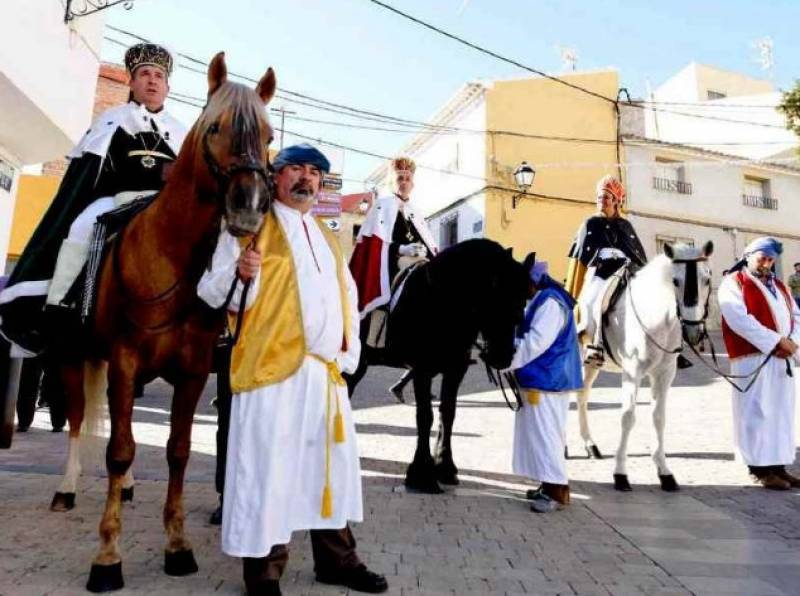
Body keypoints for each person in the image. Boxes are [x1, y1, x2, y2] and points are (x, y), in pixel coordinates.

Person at [197, 144, 387, 596]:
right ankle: (264, 572)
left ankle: (337, 561)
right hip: (271, 375)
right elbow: (211, 291)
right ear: (275, 176)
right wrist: (241, 272)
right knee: (270, 471)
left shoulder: (324, 234)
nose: (306, 178)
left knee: (329, 470)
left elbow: (347, 297)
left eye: (314, 173)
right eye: (296, 169)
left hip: (324, 375)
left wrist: (347, 355)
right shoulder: (249, 225)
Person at [0, 42, 186, 355]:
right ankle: (58, 307)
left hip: (162, 206)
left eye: (158, 76)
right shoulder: (112, 120)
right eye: (144, 74)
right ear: (132, 81)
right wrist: (151, 171)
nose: (152, 81)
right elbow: (92, 173)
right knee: (81, 227)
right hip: (117, 199)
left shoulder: (181, 132)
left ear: (167, 87)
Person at [348, 157, 438, 401]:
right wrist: (402, 249)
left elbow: (428, 243)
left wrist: (428, 254)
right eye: (400, 178)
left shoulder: (415, 212)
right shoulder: (382, 206)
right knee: (408, 280)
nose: (404, 182)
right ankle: (379, 332)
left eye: (408, 178)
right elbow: (375, 247)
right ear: (392, 182)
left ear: (413, 183)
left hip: (417, 260)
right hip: (390, 263)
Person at [718, 237, 800, 490]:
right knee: (756, 412)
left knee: (780, 412)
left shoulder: (780, 286)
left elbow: (796, 316)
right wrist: (776, 341)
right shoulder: (734, 282)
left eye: (770, 260)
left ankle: (778, 466)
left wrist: (793, 342)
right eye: (762, 258)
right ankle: (758, 468)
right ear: (748, 256)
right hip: (753, 357)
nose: (766, 264)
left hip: (782, 359)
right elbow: (739, 319)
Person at [506, 258, 583, 512]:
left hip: (547, 379)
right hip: (543, 379)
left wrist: (506, 358)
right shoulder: (543, 299)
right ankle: (548, 485)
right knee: (542, 434)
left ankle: (556, 492)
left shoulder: (550, 303)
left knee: (546, 434)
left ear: (532, 282)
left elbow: (535, 343)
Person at [565, 175, 647, 368]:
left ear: (616, 201)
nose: (602, 200)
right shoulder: (590, 224)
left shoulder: (625, 226)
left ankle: (666, 345)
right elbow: (581, 258)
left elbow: (637, 255)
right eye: (600, 197)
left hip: (625, 271)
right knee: (590, 301)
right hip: (600, 272)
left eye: (607, 197)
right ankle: (592, 344)